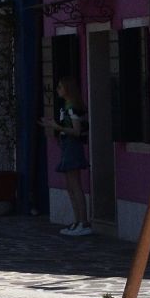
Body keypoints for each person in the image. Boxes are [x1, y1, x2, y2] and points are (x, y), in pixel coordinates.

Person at [43, 77, 91, 236]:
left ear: (68, 89)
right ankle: (77, 221)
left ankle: (83, 222)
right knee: (70, 186)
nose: (58, 89)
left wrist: (57, 127)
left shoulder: (73, 108)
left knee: (75, 186)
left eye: (60, 87)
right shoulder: (66, 107)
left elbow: (76, 131)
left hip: (72, 146)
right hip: (66, 146)